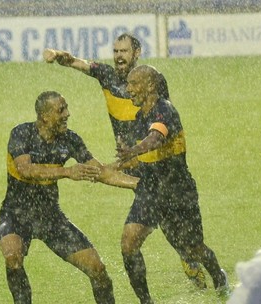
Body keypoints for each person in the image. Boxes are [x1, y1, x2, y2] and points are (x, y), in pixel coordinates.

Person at [43, 33, 208, 289]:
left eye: (124, 51)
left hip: (153, 160)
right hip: (129, 161)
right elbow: (80, 64)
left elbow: (162, 114)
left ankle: (191, 256)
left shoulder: (152, 81)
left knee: (166, 217)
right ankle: (181, 262)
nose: (119, 56)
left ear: (137, 53)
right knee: (142, 220)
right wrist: (61, 57)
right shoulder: (107, 75)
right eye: (116, 51)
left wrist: (146, 146)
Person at [0, 91, 139, 304]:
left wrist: (138, 185)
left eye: (66, 108)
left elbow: (98, 171)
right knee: (12, 257)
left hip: (50, 218)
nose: (68, 114)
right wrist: (67, 172)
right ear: (44, 116)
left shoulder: (70, 139)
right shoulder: (21, 133)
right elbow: (25, 169)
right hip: (16, 214)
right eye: (61, 110)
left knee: (97, 269)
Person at [115, 65, 230, 303]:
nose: (129, 90)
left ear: (150, 86)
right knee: (129, 243)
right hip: (151, 192)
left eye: (134, 84)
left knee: (192, 249)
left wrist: (132, 151)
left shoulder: (164, 110)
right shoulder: (139, 117)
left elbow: (156, 139)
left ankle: (219, 279)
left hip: (178, 192)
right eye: (128, 84)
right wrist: (109, 168)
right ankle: (146, 301)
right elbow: (143, 158)